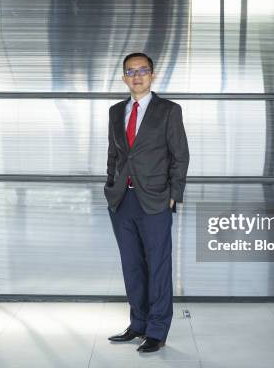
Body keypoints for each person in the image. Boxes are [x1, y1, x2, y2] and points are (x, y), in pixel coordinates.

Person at [104, 52, 190, 353]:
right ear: (123, 77)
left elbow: (180, 156)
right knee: (132, 266)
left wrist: (173, 195)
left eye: (143, 70)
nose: (137, 76)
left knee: (158, 266)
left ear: (152, 75)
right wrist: (111, 186)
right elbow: (114, 155)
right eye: (131, 71)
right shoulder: (116, 111)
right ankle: (138, 324)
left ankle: (156, 330)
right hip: (122, 200)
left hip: (155, 200)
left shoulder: (168, 110)